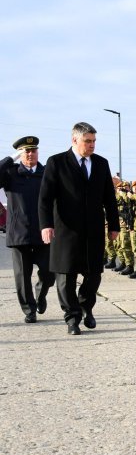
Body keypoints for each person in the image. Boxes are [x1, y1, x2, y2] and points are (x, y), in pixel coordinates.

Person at [39, 122, 120, 335]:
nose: (92, 145)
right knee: (66, 276)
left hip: (92, 230)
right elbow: (45, 198)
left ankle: (86, 306)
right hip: (65, 229)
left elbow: (109, 198)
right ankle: (72, 317)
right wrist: (46, 225)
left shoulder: (101, 163)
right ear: (75, 140)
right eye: (88, 141)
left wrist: (114, 225)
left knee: (94, 274)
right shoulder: (56, 162)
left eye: (94, 141)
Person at [0, 136, 55, 323]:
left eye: (33, 150)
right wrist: (10, 158)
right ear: (21, 153)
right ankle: (29, 309)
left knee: (49, 272)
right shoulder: (10, 173)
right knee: (22, 276)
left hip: (43, 231)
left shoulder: (46, 172)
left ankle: (40, 295)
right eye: (26, 151)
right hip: (19, 233)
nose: (31, 154)